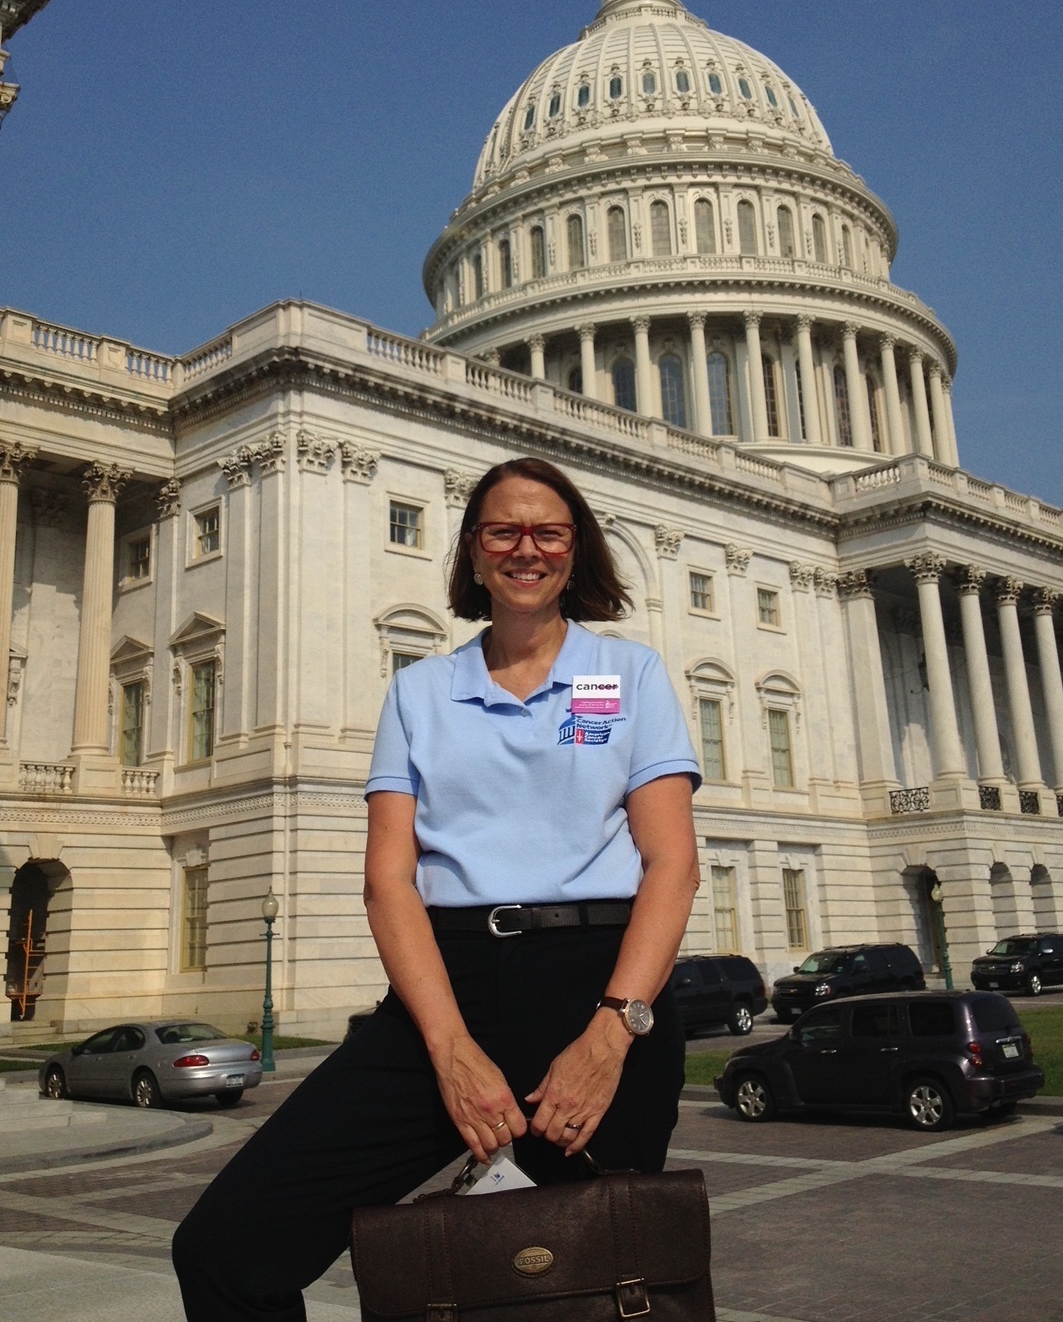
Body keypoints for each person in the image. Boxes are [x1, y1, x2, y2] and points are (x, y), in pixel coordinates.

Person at [173, 456, 702, 1322]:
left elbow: (671, 863)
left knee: (576, 1284)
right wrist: (450, 1048)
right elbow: (388, 879)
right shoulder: (420, 691)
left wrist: (611, 1036)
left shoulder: (622, 676)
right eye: (504, 531)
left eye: (549, 532)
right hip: (447, 992)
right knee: (225, 1249)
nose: (527, 549)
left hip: (600, 988)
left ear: (576, 549)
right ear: (473, 551)